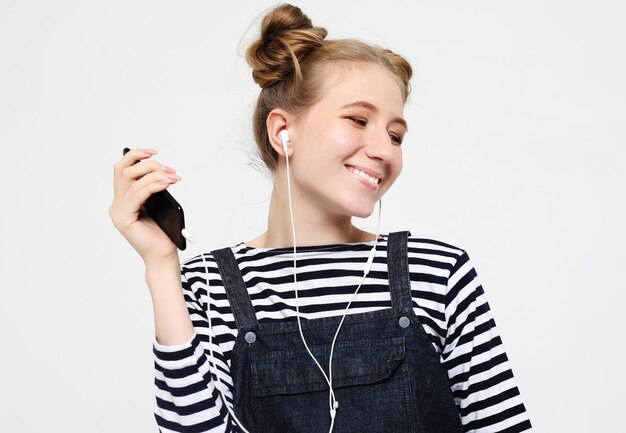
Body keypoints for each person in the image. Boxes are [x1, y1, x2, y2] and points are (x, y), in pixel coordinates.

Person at [109, 4, 531, 432]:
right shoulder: (207, 287)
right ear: (282, 131)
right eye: (358, 119)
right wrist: (161, 266)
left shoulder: (437, 271)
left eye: (395, 135)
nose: (384, 150)